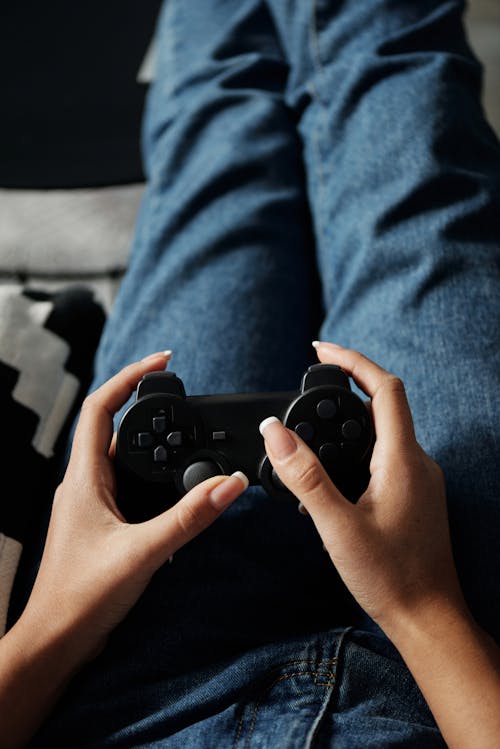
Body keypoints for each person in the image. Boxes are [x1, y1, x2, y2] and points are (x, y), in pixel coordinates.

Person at [2, 0, 500, 746]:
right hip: (455, 668)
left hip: (137, 681)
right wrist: (424, 607)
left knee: (218, 159)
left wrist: (54, 618)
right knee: (413, 157)